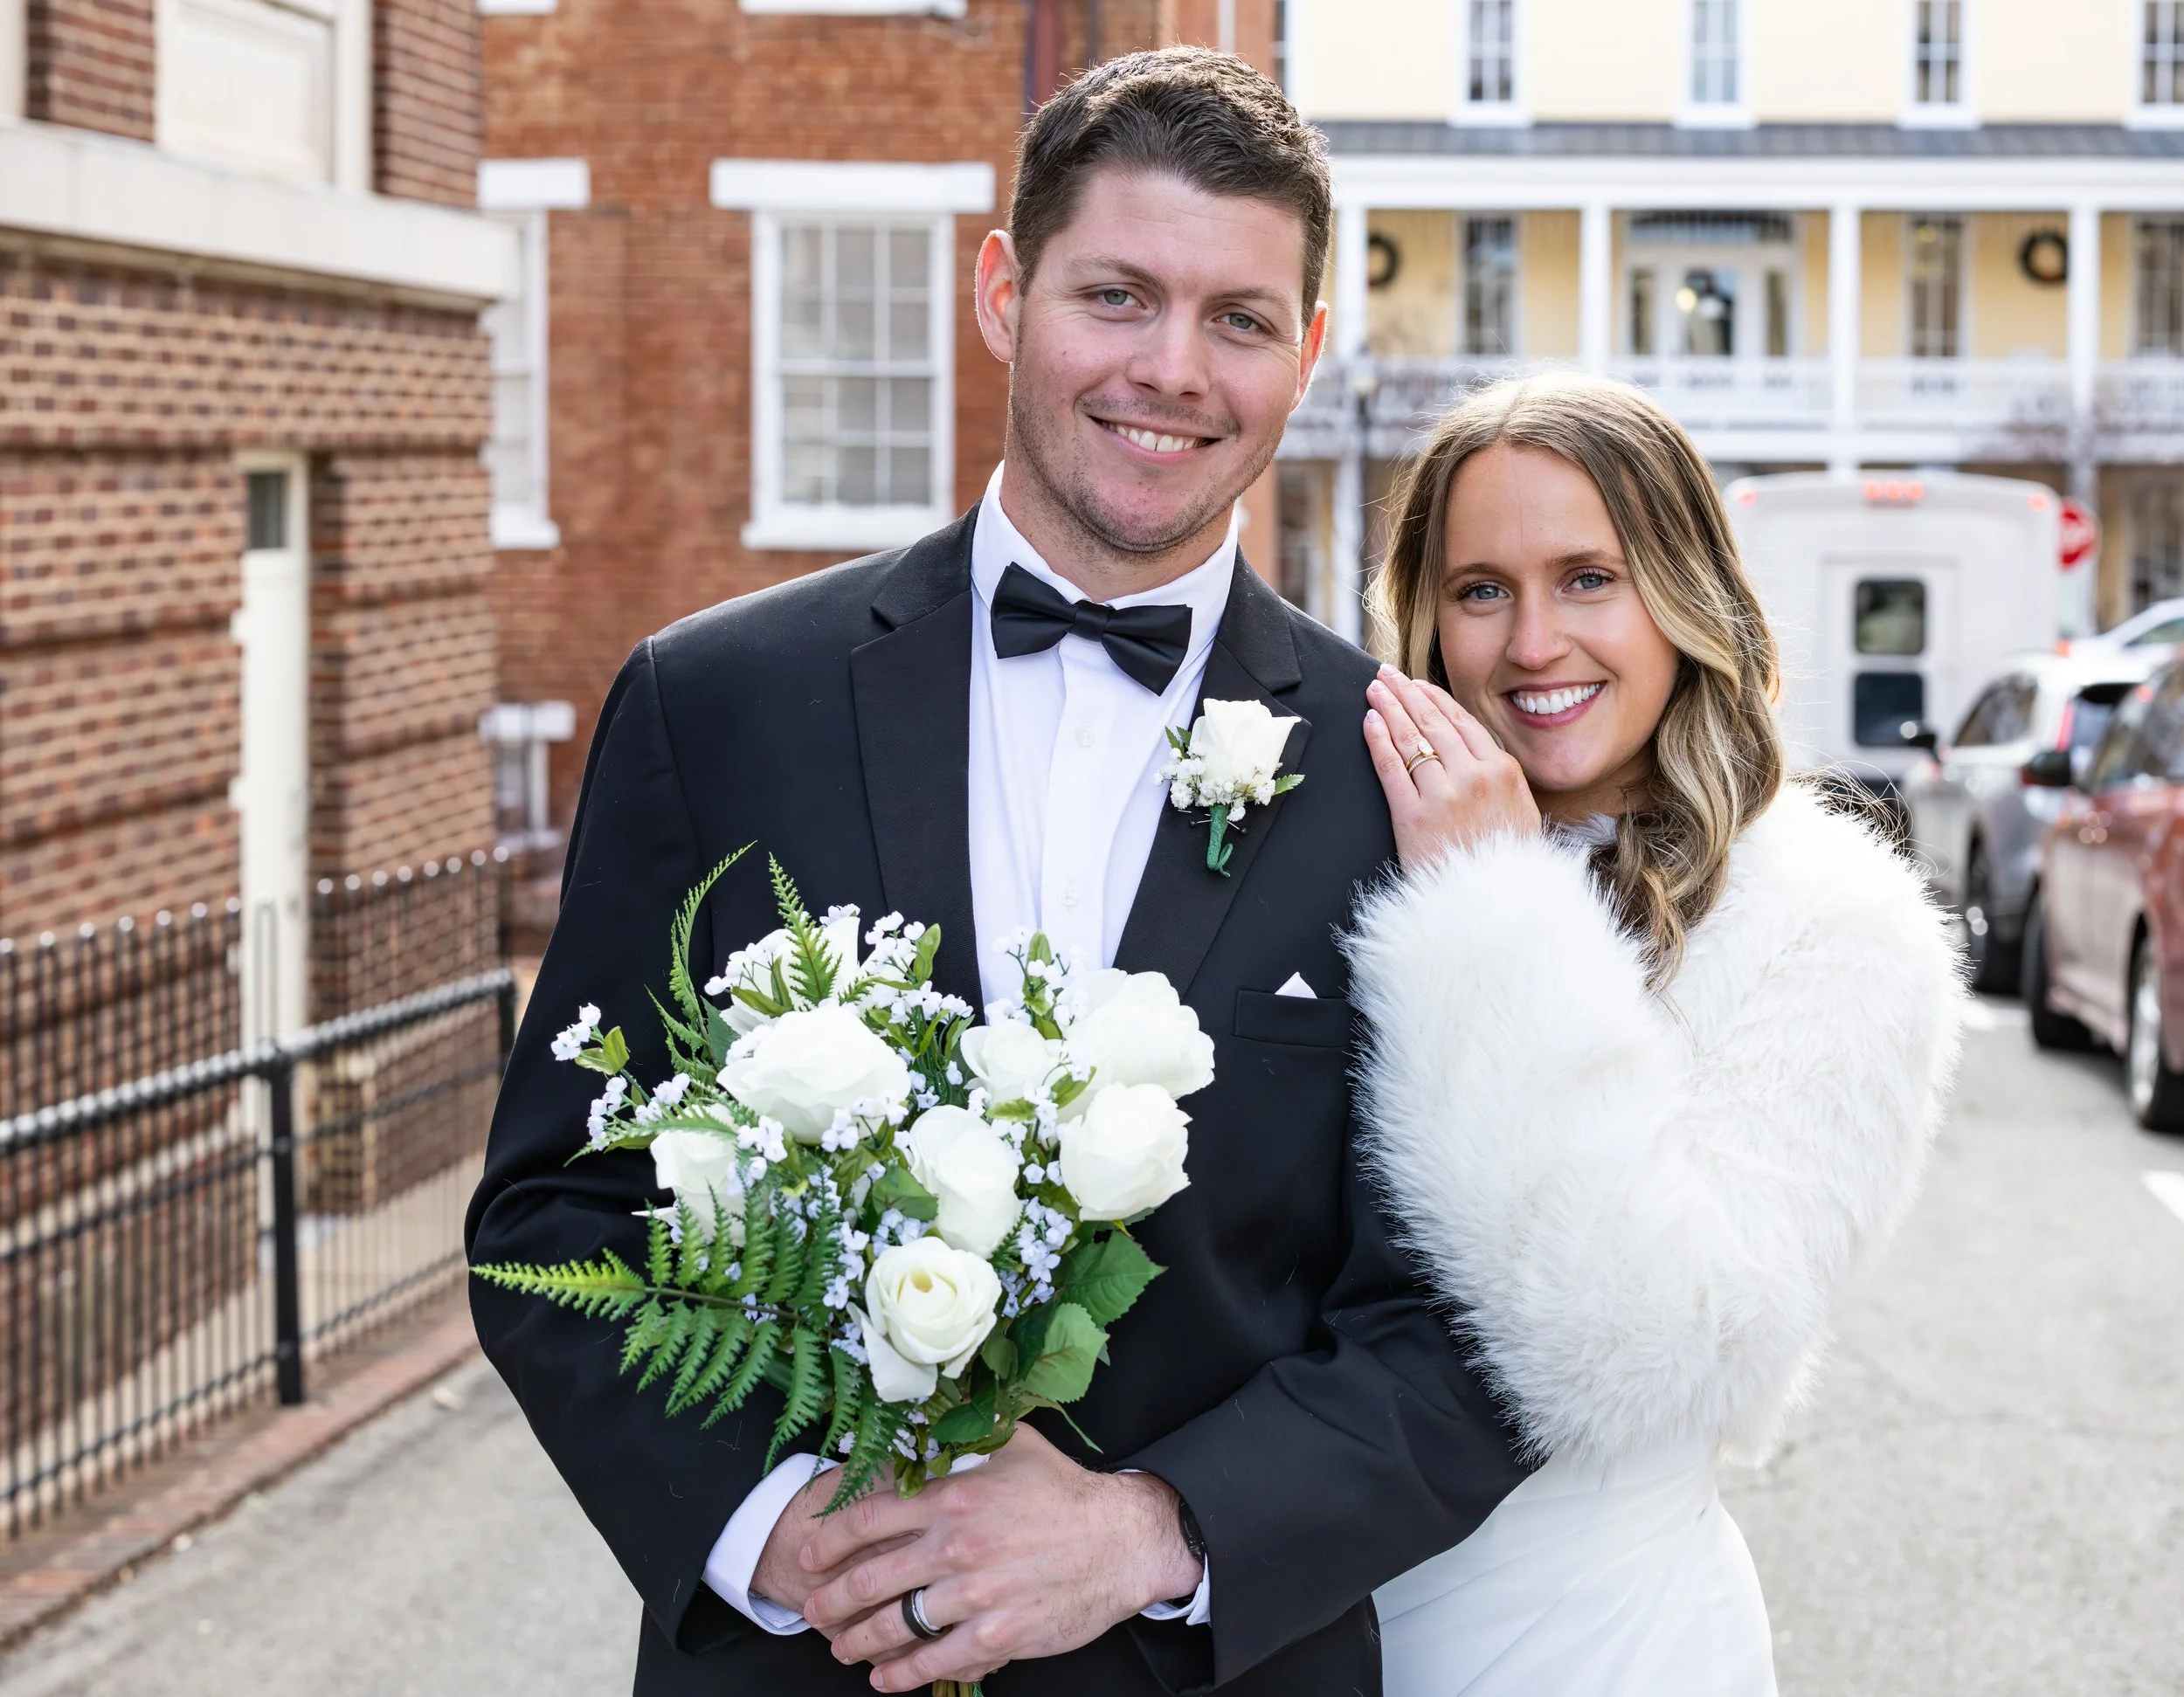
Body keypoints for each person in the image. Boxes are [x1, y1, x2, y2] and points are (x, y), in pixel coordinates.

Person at [467, 49, 1528, 1697]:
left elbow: (1474, 1322)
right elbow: (555, 1212)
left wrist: (1158, 1529)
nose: (1173, 369)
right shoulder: (714, 701)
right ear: (1001, 293)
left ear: (1308, 352)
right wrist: (767, 1527)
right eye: (1118, 296)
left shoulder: (1408, 776)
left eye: (1241, 319)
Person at [1346, 371, 1966, 1696]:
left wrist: (1494, 910)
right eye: (1481, 589)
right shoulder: (1357, 851)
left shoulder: (1832, 926)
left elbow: (1653, 1346)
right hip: (1291, 1613)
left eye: (1590, 579)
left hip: (1598, 1639)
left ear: (1687, 597)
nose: (1533, 643)